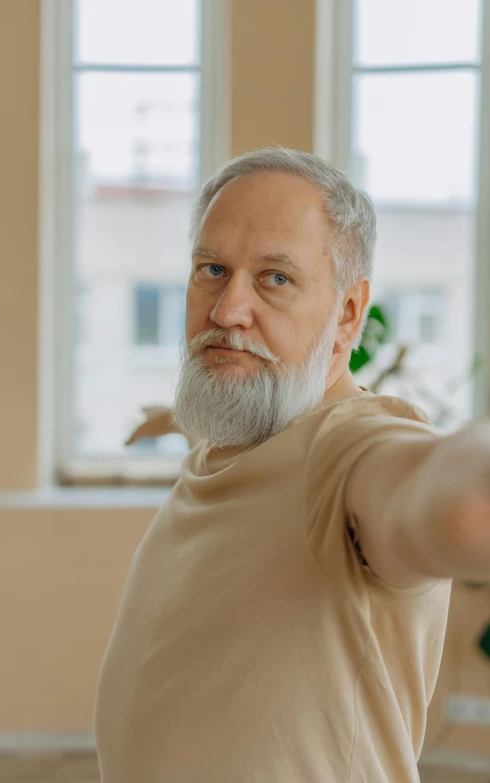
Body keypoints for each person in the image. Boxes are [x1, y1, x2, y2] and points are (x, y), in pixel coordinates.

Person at [94, 148, 490, 782]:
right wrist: (173, 414)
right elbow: (229, 389)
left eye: (276, 279)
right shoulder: (249, 423)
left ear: (348, 314)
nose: (226, 311)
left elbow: (443, 497)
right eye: (213, 269)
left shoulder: (347, 451)